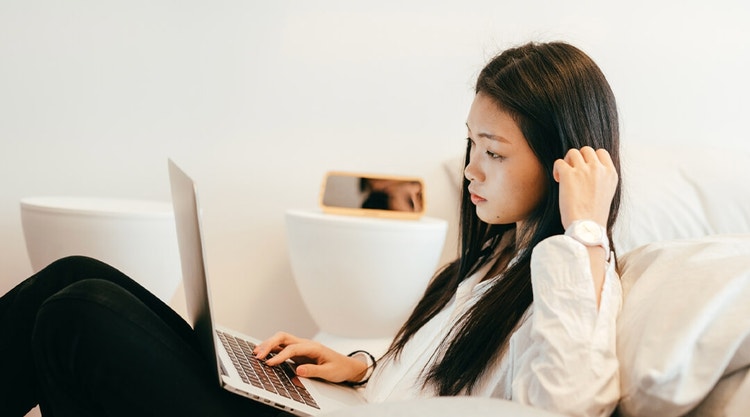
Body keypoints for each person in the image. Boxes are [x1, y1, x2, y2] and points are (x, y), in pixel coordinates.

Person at [0, 41, 622, 417]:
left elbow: (564, 406)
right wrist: (362, 369)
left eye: (494, 151)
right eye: (470, 145)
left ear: (564, 159)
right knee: (75, 274)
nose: (469, 169)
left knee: (79, 312)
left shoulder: (577, 274)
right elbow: (441, 386)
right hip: (341, 408)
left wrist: (584, 228)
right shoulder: (493, 265)